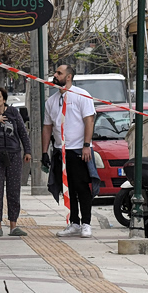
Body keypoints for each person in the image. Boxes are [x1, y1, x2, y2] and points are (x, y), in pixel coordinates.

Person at [42, 63, 96, 238]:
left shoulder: (82, 96)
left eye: (59, 73)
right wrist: (44, 152)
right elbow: (47, 128)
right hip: (60, 151)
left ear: (69, 77)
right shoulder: (51, 101)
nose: (55, 75)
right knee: (67, 188)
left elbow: (89, 121)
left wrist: (86, 145)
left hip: (78, 150)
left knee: (82, 187)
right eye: (55, 72)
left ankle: (86, 223)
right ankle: (74, 222)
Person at [0, 87, 32, 237]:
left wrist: (27, 151)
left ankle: (13, 225)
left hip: (14, 155)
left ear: (4, 99)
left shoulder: (13, 113)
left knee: (14, 190)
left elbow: (22, 132)